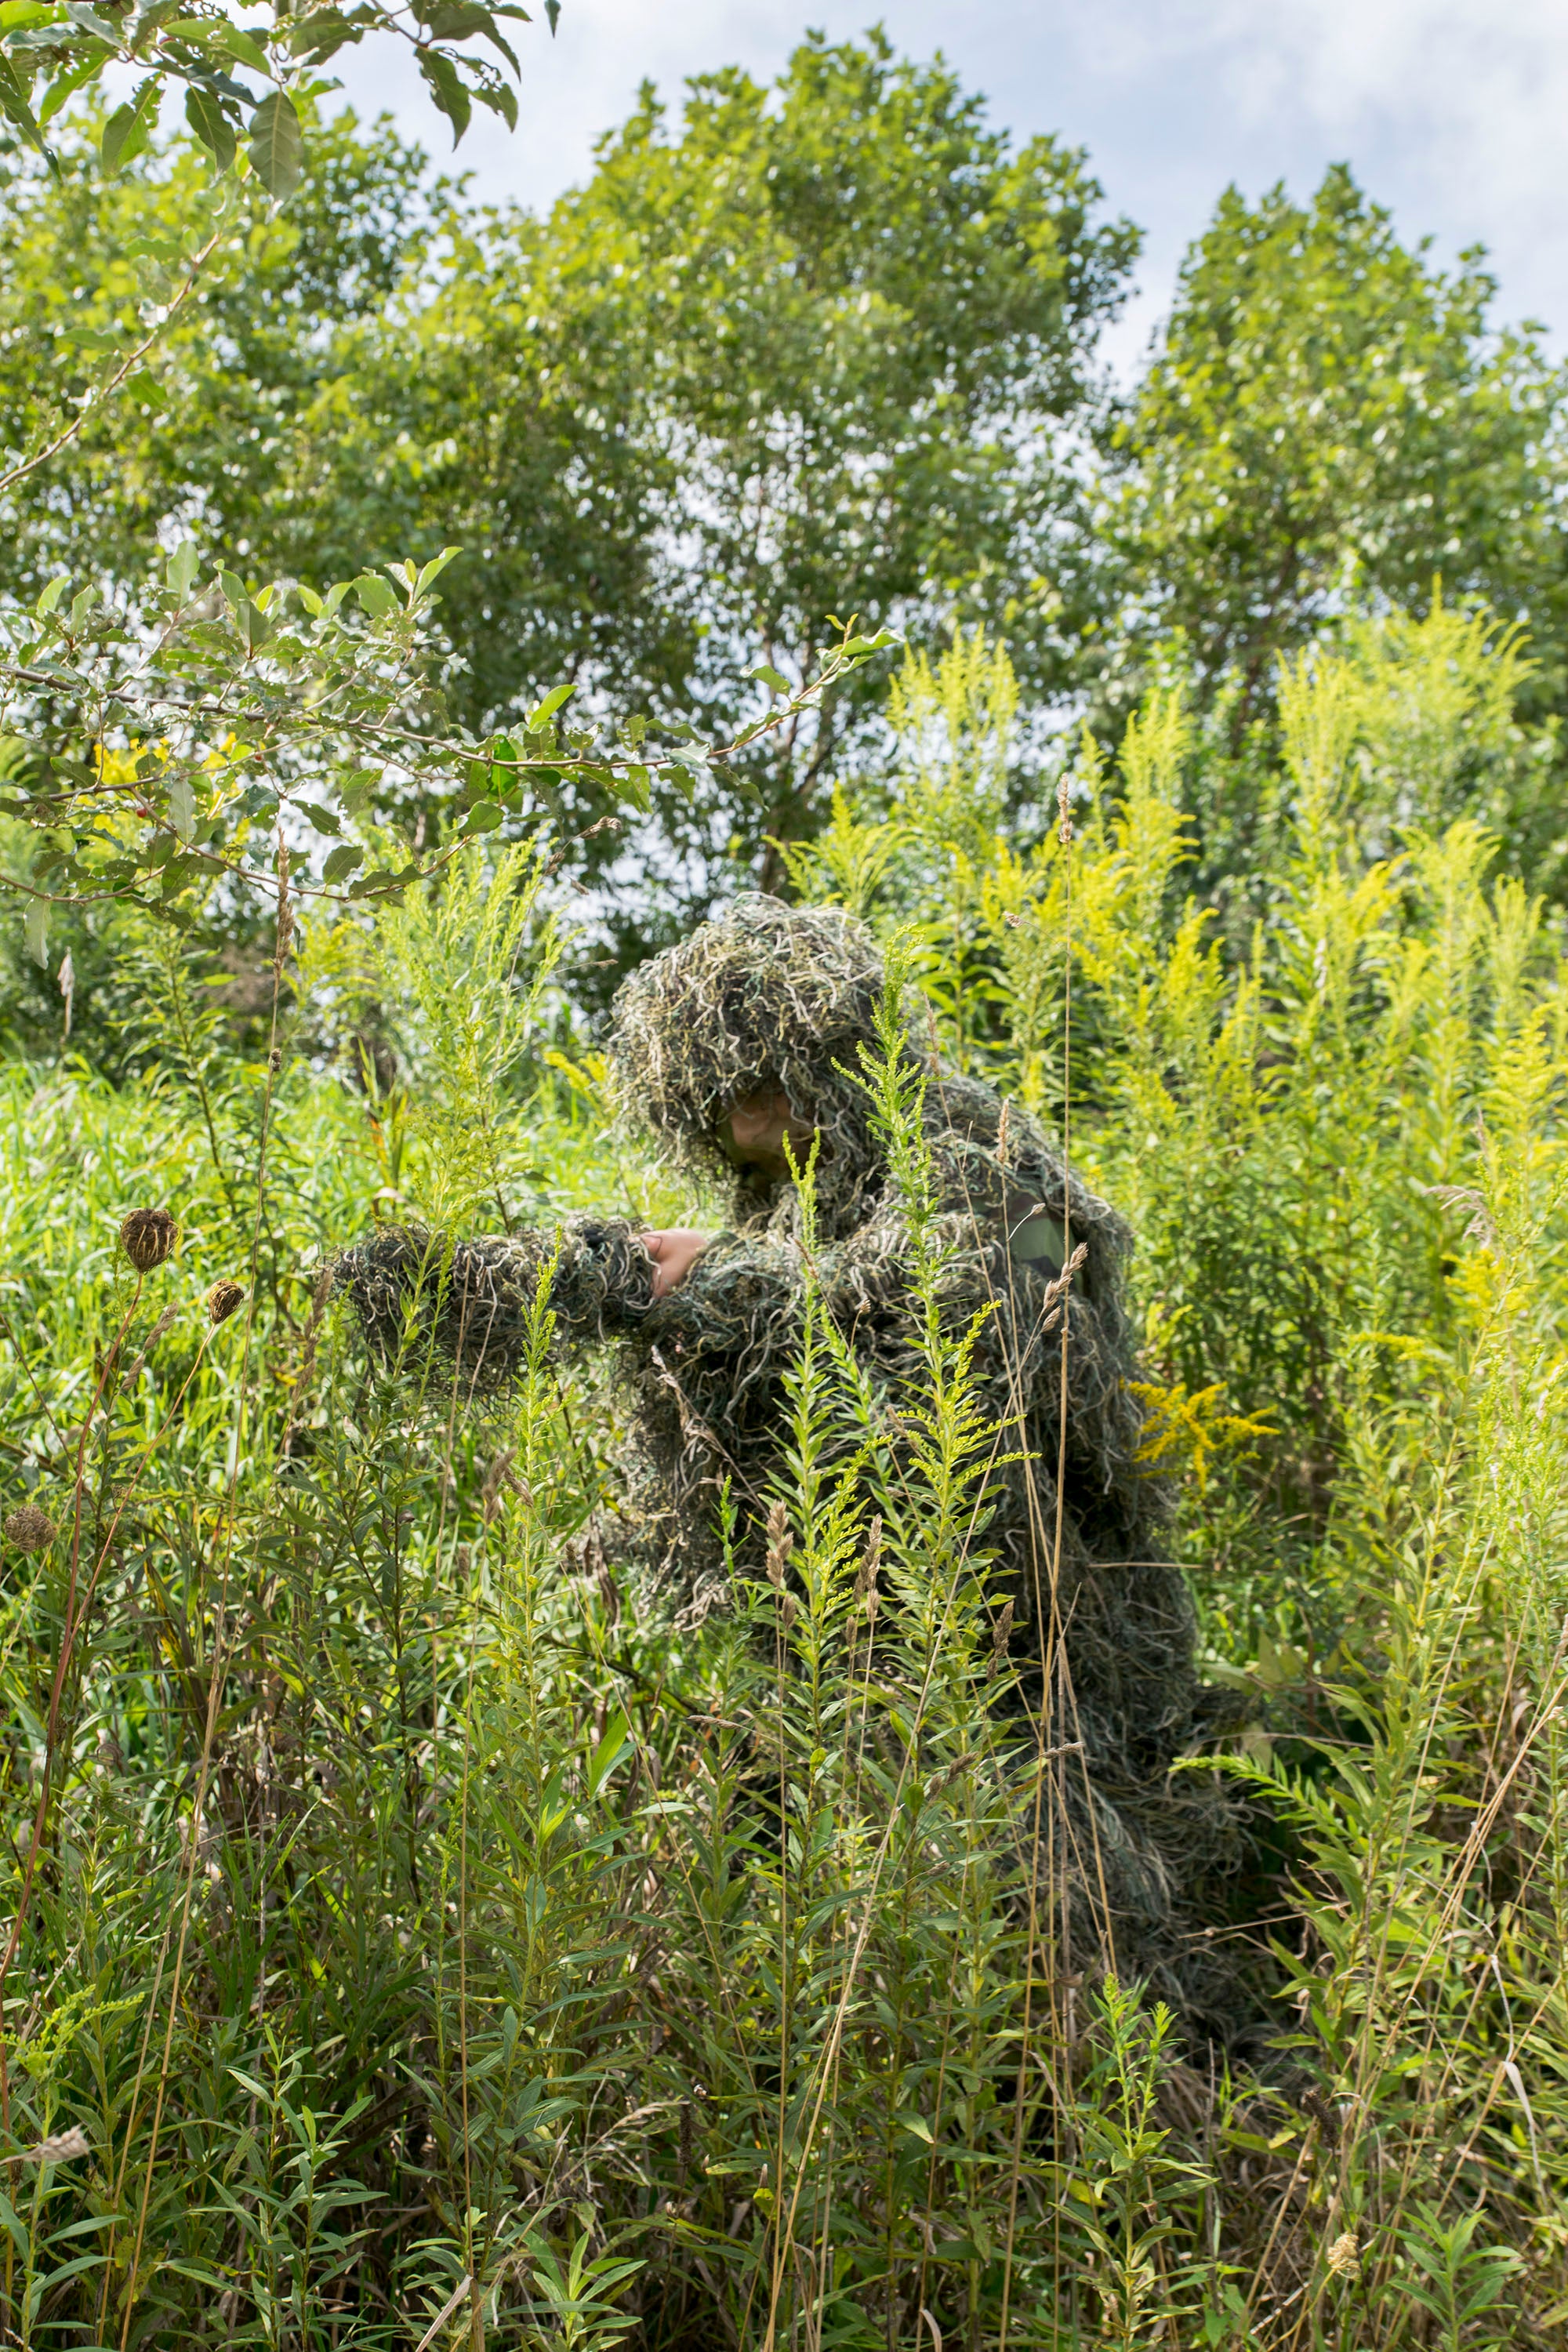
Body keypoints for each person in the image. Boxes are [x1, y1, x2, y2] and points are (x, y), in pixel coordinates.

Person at [339, 893, 1260, 2038]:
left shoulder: (994, 1166)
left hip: (1035, 1637)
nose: (746, 1121)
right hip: (850, 1616)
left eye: (764, 1083)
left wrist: (731, 1282)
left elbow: (1009, 1346)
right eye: (715, 1102)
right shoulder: (788, 1192)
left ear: (833, 1048)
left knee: (1056, 1903)